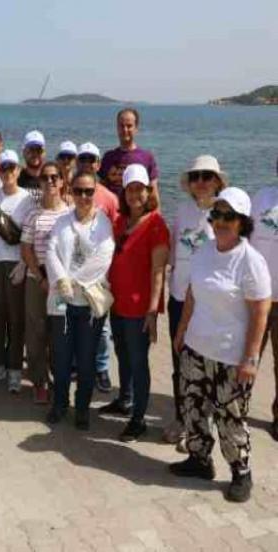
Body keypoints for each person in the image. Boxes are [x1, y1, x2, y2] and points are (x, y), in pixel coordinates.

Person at [172, 187, 271, 503]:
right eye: (217, 215)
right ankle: (199, 461)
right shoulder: (203, 251)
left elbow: (260, 310)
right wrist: (181, 331)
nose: (221, 221)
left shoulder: (251, 261)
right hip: (196, 349)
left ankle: (241, 472)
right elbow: (191, 293)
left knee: (231, 420)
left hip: (231, 357)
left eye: (229, 216)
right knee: (194, 410)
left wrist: (251, 358)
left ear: (242, 221)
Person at [104, 164, 169, 441]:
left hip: (139, 307)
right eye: (130, 189)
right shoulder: (119, 221)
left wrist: (152, 311)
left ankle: (139, 418)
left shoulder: (156, 224)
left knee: (139, 361)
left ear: (148, 191)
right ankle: (125, 399)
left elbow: (158, 272)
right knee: (122, 353)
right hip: (117, 304)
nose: (134, 194)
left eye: (139, 189)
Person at [45, 172, 115, 429]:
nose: (83, 196)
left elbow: (102, 259)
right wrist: (60, 279)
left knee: (86, 361)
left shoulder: (104, 224)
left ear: (95, 192)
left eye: (88, 191)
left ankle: (82, 407)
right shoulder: (61, 221)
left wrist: (71, 281)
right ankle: (60, 403)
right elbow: (51, 250)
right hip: (62, 302)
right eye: (78, 191)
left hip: (88, 304)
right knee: (61, 358)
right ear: (71, 192)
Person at [164, 155, 224, 447]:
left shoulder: (225, 214)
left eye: (207, 176)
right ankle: (182, 417)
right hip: (177, 298)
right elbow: (174, 253)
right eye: (195, 176)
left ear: (217, 181)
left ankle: (204, 421)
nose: (200, 182)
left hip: (207, 306)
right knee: (180, 363)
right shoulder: (182, 211)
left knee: (206, 367)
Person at [0, 150, 35, 392]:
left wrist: (25, 264)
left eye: (12, 167)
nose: (8, 172)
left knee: (17, 319)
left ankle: (14, 369)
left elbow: (30, 237)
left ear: (19, 170)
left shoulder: (28, 200)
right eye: (3, 168)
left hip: (17, 265)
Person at [21, 162, 70, 404]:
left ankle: (58, 381)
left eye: (54, 177)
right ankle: (39, 382)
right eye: (45, 178)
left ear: (62, 181)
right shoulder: (33, 214)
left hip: (61, 283)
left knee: (59, 334)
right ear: (39, 183)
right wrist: (40, 278)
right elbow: (26, 249)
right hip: (36, 281)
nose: (50, 181)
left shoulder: (70, 212)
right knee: (36, 332)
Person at [75, 141, 119, 392]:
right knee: (75, 320)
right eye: (83, 159)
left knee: (102, 327)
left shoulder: (110, 199)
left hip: (101, 273)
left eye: (92, 159)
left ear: (99, 164)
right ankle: (76, 364)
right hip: (76, 270)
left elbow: (117, 232)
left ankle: (101, 368)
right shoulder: (73, 191)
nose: (88, 163)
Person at [251, 155, 278, 440]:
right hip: (257, 296)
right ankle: (238, 406)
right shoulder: (261, 198)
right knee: (248, 356)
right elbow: (244, 238)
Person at [98, 108, 160, 203]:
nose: (125, 130)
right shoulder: (108, 157)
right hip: (111, 213)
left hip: (136, 213)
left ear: (136, 128)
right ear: (117, 128)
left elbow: (153, 194)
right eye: (121, 126)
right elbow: (101, 190)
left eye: (129, 126)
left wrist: (156, 216)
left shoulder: (146, 158)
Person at [19, 130, 46, 197]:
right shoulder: (16, 178)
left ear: (44, 153)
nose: (35, 153)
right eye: (31, 150)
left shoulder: (51, 178)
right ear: (24, 152)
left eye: (39, 150)